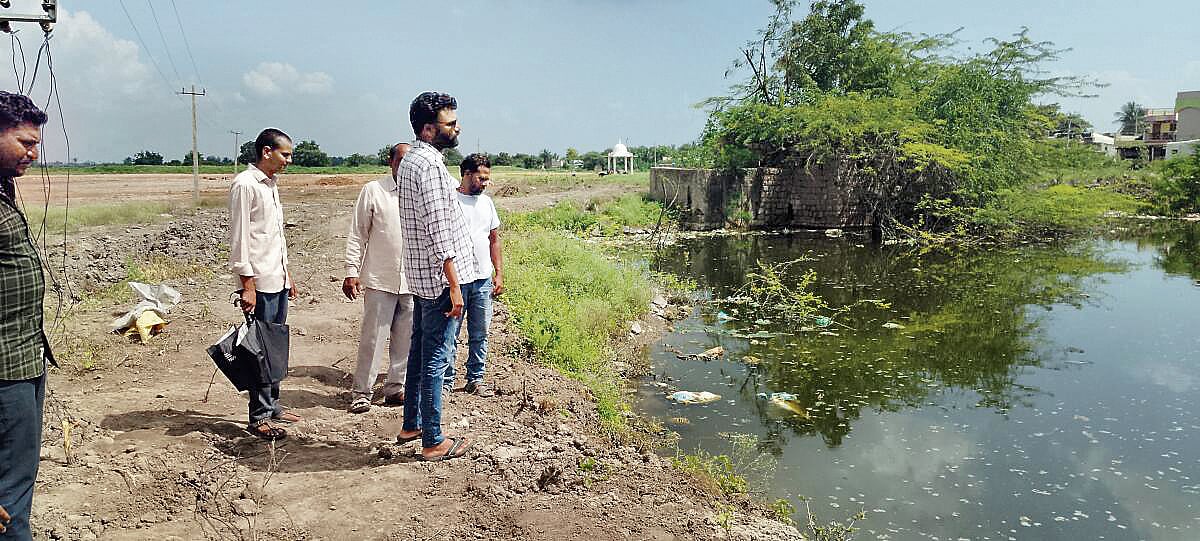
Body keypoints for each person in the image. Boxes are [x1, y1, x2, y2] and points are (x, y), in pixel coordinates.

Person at [394, 92, 476, 461]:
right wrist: (455, 284)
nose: (457, 128)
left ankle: (412, 423)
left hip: (423, 277)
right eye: (450, 122)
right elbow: (438, 228)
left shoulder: (415, 160)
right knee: (436, 358)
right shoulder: (427, 165)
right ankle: (432, 440)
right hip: (440, 280)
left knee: (419, 352)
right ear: (429, 129)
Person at [0, 91, 51, 540]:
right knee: (8, 496)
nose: (33, 154)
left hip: (24, 358)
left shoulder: (4, 189)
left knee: (18, 480)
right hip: (3, 371)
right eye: (24, 143)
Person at [228, 128, 300, 441]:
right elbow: (240, 239)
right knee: (259, 352)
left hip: (276, 279)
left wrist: (287, 276)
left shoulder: (270, 184)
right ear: (267, 151)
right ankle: (258, 418)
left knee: (275, 348)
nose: (289, 161)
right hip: (259, 283)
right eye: (285, 154)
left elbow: (273, 238)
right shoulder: (246, 185)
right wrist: (248, 286)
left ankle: (273, 406)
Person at [343, 142, 414, 413]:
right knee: (373, 339)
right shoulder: (374, 191)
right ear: (391, 162)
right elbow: (357, 234)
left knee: (405, 340)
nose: (405, 167)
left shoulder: (418, 194)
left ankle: (396, 389)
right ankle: (361, 393)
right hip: (379, 279)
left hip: (412, 282)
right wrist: (351, 271)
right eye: (401, 161)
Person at [443, 153, 503, 398]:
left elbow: (494, 240)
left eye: (488, 178)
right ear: (467, 174)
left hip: (482, 279)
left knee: (480, 333)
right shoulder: (450, 202)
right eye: (481, 177)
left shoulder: (487, 203)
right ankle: (445, 381)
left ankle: (475, 379)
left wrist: (499, 273)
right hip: (457, 280)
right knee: (450, 332)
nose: (485, 183)